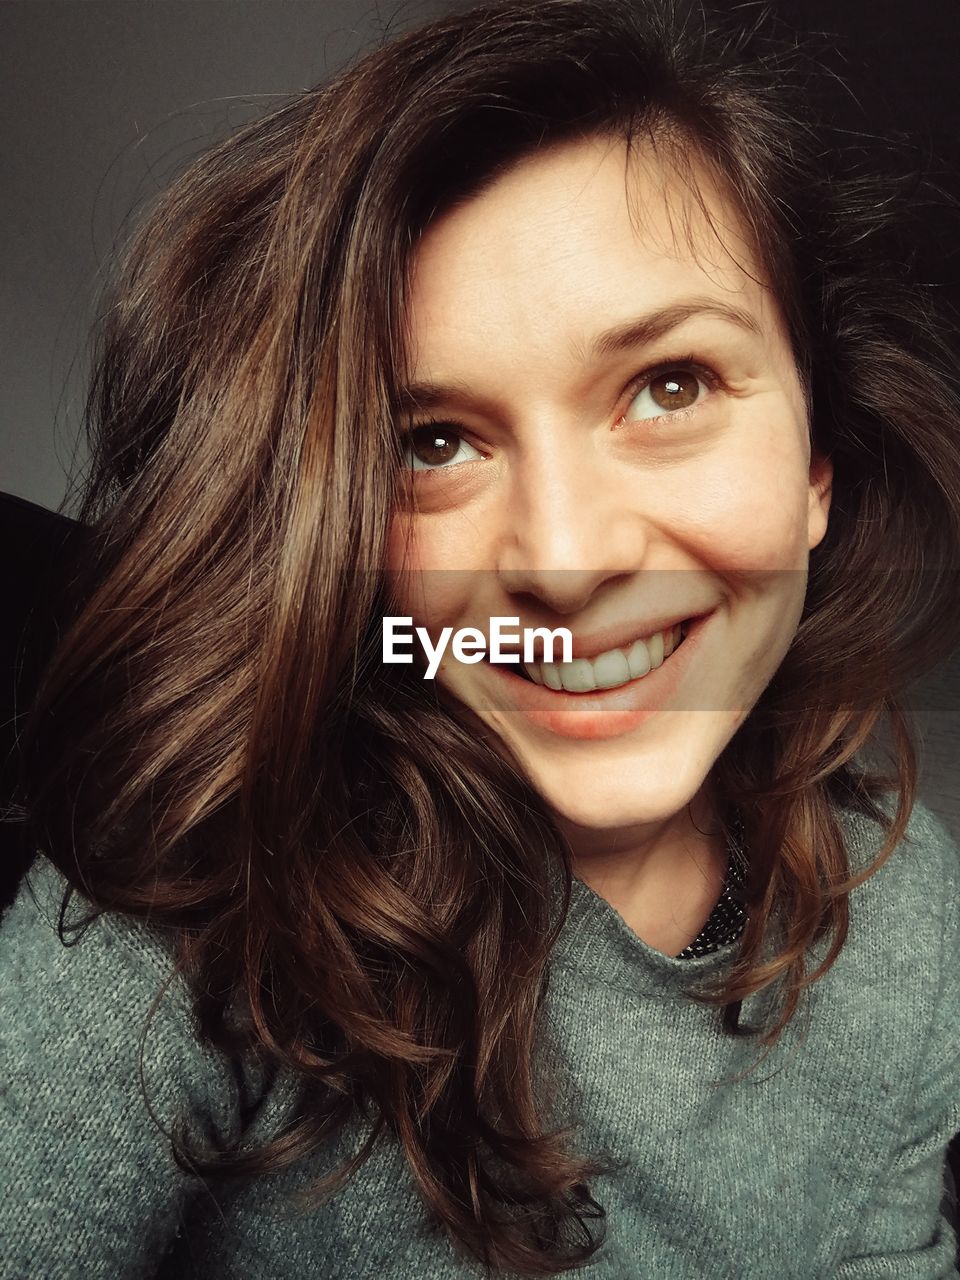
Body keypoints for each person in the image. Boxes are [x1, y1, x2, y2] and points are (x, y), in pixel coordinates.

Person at [3, 0, 960, 1275]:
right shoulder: (194, 897)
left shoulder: (905, 901)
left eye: (670, 384)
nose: (564, 557)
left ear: (815, 468)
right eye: (433, 442)